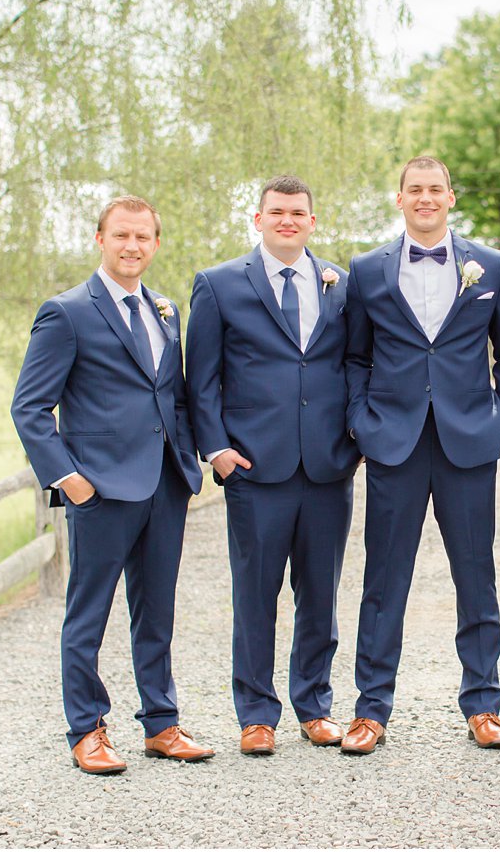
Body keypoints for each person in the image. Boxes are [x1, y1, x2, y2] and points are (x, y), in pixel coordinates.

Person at [11, 195, 212, 774]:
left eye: (143, 237)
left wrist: (191, 462)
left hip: (164, 485)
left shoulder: (165, 310)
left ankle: (162, 724)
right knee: (89, 613)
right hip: (99, 492)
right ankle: (87, 730)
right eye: (121, 235)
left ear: (155, 243)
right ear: (100, 239)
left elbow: (169, 396)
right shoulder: (67, 312)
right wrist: (70, 480)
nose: (132, 246)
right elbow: (29, 409)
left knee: (157, 613)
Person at [340, 155, 500, 754]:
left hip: (467, 441)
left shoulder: (490, 266)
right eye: (414, 190)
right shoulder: (367, 270)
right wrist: (361, 423)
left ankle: (484, 704)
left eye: (435, 190)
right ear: (399, 200)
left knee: (477, 575)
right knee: (383, 579)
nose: (425, 198)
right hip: (393, 442)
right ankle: (371, 710)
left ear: (451, 197)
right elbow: (355, 358)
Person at [185, 176, 359, 756]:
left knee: (321, 594)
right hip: (255, 468)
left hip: (328, 466)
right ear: (258, 220)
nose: (289, 221)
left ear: (312, 221)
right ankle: (256, 715)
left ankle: (315, 706)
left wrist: (356, 439)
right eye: (277, 212)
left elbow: (356, 364)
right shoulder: (218, 285)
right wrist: (217, 450)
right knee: (255, 594)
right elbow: (200, 380)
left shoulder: (341, 283)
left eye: (299, 213)